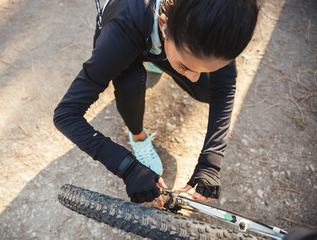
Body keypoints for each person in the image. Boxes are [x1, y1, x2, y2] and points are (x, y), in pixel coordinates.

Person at [53, 0, 259, 208]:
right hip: (130, 31)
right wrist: (127, 166)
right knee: (130, 84)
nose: (195, 77)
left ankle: (161, 54)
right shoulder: (121, 32)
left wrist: (211, 162)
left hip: (162, 38)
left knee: (208, 90)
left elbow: (224, 89)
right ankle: (138, 136)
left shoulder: (218, 25)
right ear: (165, 24)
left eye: (207, 69)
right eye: (186, 66)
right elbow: (66, 114)